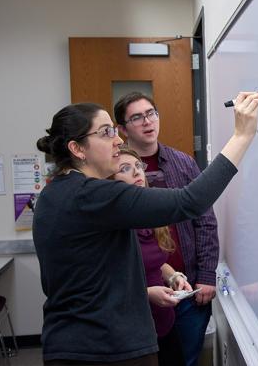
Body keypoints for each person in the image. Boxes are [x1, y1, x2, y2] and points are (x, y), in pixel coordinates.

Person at [33, 92, 258, 365]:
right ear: (78, 149)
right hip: (106, 348)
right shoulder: (92, 195)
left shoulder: (54, 193)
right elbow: (190, 202)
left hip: (72, 342)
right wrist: (242, 136)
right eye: (106, 132)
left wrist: (159, 280)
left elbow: (91, 276)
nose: (118, 140)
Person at [112, 92, 218, 365]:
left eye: (151, 113)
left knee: (184, 358)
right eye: (137, 117)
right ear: (122, 129)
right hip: (137, 296)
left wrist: (206, 275)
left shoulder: (183, 163)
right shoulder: (112, 169)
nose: (147, 122)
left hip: (185, 287)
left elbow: (205, 219)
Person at [109, 146, 194, 366]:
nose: (137, 172)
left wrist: (174, 276)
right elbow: (107, 284)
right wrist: (146, 293)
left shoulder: (148, 213)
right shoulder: (112, 223)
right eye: (125, 169)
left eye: (139, 166)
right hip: (133, 331)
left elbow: (156, 262)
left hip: (164, 323)